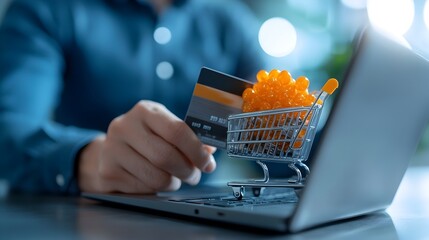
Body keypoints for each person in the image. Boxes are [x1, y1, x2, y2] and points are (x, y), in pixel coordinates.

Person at [0, 0, 266, 195]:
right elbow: (8, 131)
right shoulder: (48, 8)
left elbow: (273, 153)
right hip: (84, 219)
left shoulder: (232, 23)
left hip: (208, 222)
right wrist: (90, 157)